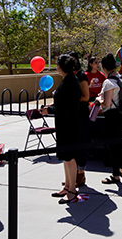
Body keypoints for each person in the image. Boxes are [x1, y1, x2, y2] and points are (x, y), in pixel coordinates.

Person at [40, 54, 81, 204]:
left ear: (60, 67)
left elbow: (67, 107)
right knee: (66, 157)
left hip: (69, 125)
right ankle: (68, 185)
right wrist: (50, 108)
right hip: (64, 124)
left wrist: (50, 110)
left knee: (70, 157)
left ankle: (72, 191)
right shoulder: (69, 81)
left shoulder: (70, 82)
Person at [97, 54, 122, 184]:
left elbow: (107, 103)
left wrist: (100, 100)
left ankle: (115, 175)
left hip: (112, 116)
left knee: (113, 145)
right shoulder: (121, 78)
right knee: (120, 143)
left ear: (104, 68)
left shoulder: (108, 82)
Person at [73, 53, 90, 188]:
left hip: (81, 115)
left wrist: (69, 100)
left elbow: (86, 96)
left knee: (81, 144)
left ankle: (81, 173)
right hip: (72, 116)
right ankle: (72, 176)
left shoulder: (81, 76)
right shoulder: (70, 77)